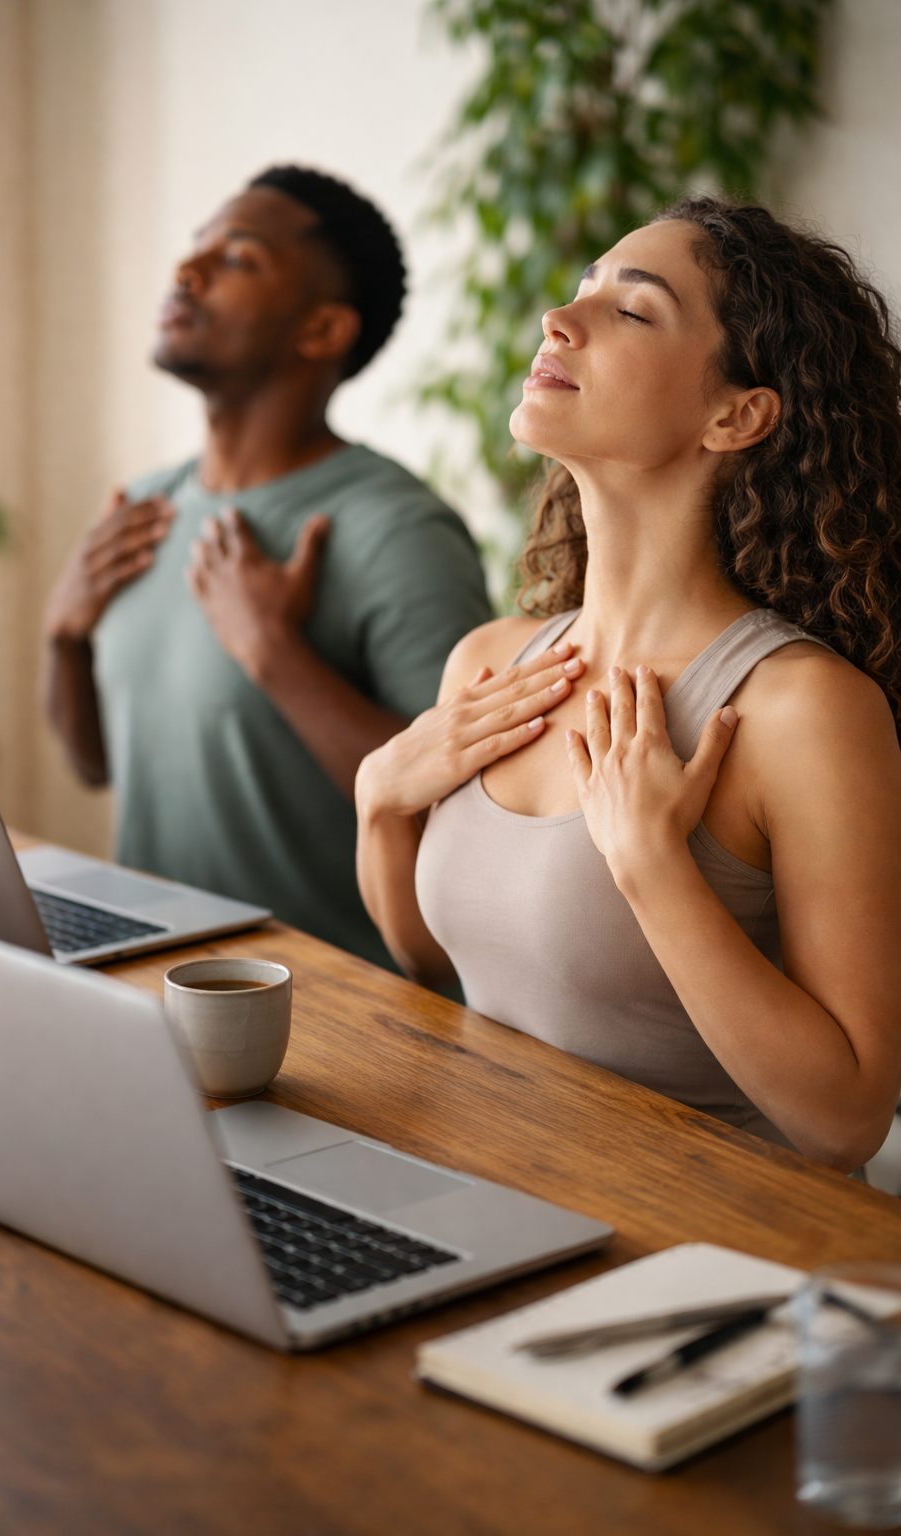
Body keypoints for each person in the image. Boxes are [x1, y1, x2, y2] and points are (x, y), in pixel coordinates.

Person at [355, 197, 901, 1172]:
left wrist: (653, 867)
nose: (558, 322)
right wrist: (380, 806)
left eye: (633, 309)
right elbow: (443, 971)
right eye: (579, 292)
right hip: (502, 1201)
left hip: (710, 1262)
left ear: (736, 414)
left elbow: (845, 1119)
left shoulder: (800, 712)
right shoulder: (490, 663)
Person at [43, 165, 491, 969]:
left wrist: (274, 655)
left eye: (239, 260)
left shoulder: (397, 530)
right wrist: (64, 636)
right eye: (196, 250)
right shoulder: (140, 511)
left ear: (321, 330)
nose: (188, 273)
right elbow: (97, 763)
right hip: (148, 989)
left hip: (336, 1017)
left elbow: (459, 811)